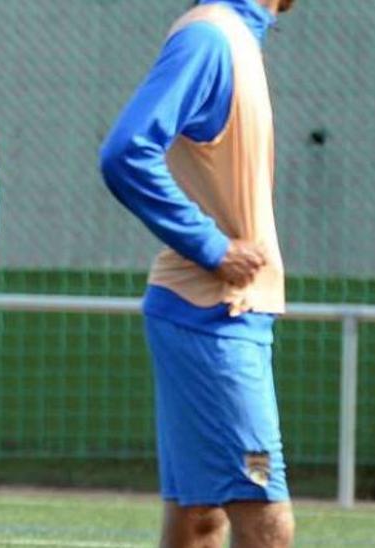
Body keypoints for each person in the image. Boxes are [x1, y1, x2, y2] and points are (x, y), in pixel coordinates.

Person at [99, 0, 297, 546]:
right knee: (265, 517)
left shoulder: (234, 36)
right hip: (212, 316)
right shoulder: (211, 39)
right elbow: (125, 152)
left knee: (198, 518)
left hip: (215, 314)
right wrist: (211, 246)